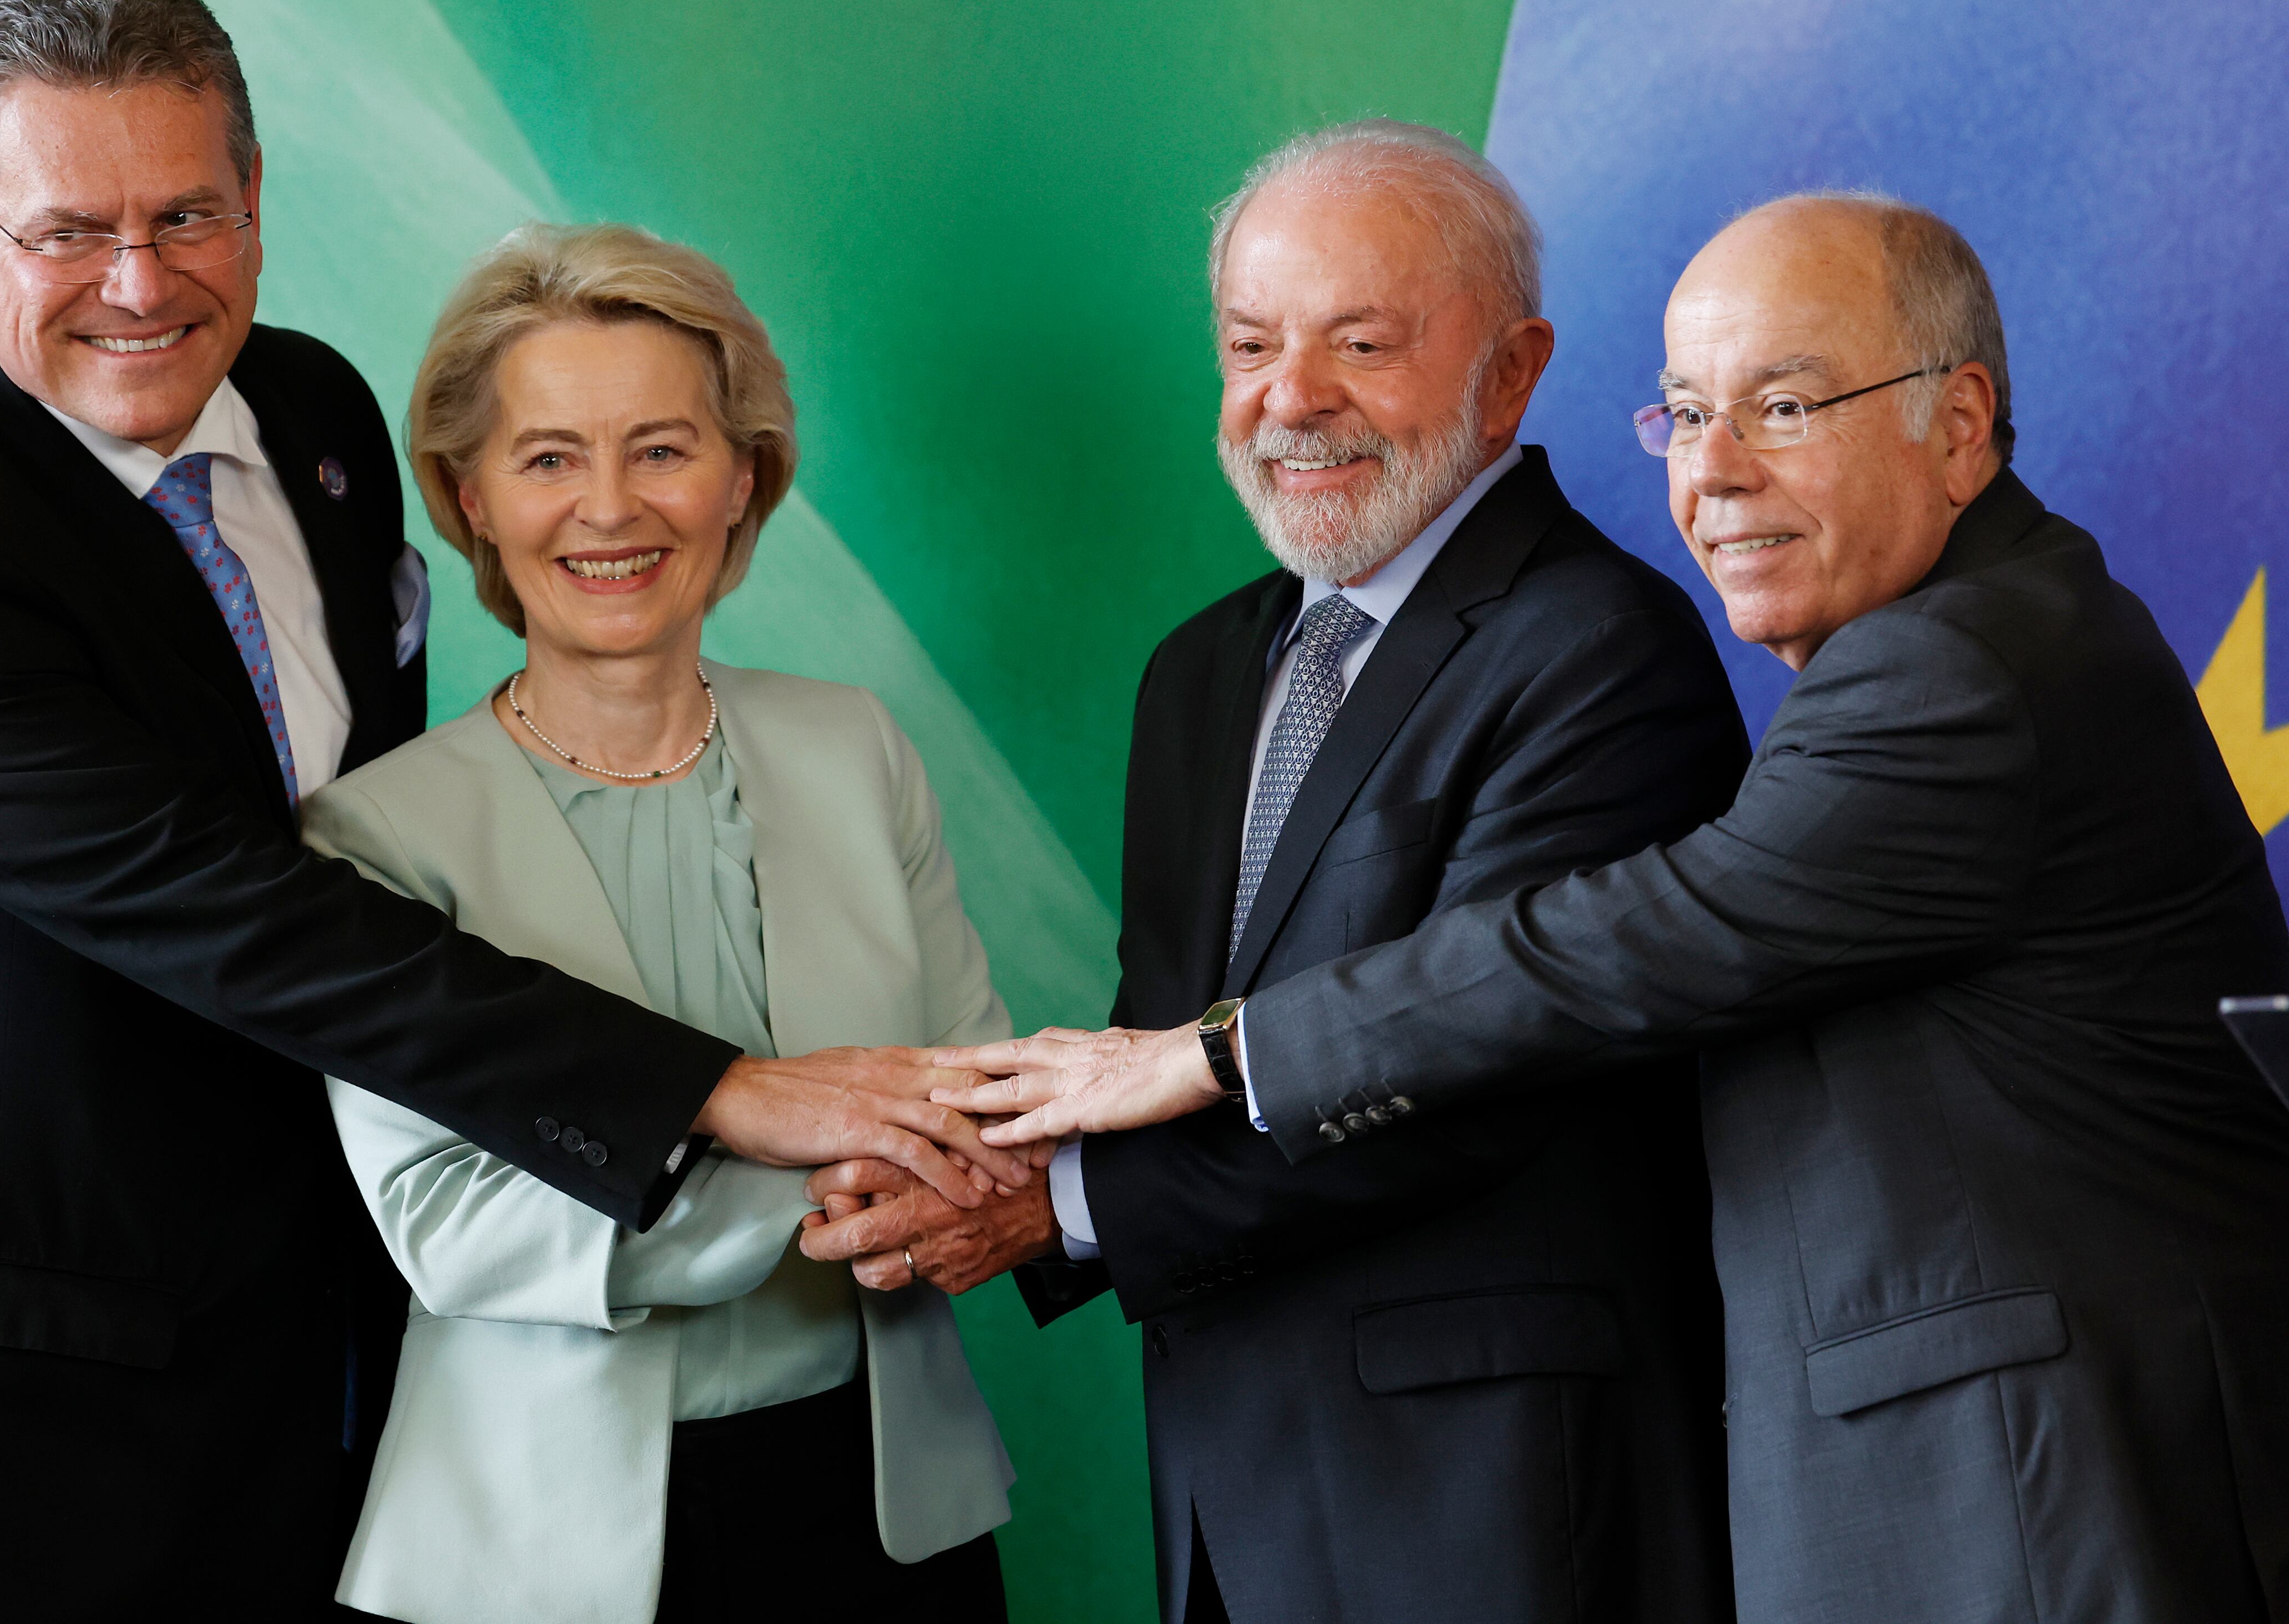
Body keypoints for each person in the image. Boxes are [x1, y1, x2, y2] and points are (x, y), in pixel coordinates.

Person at [0, 0, 1021, 1622]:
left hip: (301, 1362)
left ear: (256, 203)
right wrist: (722, 1090)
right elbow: (264, 918)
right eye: (67, 232)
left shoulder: (310, 414)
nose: (138, 282)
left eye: (188, 215)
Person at [939, 193, 2289, 1623]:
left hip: (2033, 1495)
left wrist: (1212, 1050)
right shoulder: (1960, 636)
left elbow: (1628, 943)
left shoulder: (1958, 669)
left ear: (1957, 425)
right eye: (1682, 414)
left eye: (1780, 406)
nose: (1712, 474)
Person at [807, 122, 1744, 1622]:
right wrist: (980, 1156)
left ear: (1513, 369)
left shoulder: (1601, 651)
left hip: (1492, 1502)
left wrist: (1062, 1200)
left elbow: (1478, 1073)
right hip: (1227, 1494)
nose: (1291, 400)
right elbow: (1145, 1050)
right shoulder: (1202, 667)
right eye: (1251, 343)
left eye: (1361, 343)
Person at [303, 222, 1015, 1623]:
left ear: (741, 475)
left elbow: (974, 1092)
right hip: (536, 1559)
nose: (611, 507)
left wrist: (956, 1166)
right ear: (471, 497)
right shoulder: (374, 833)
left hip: (888, 1525)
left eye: (664, 448)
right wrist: (823, 1159)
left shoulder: (856, 747)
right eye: (550, 455)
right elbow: (449, 1223)